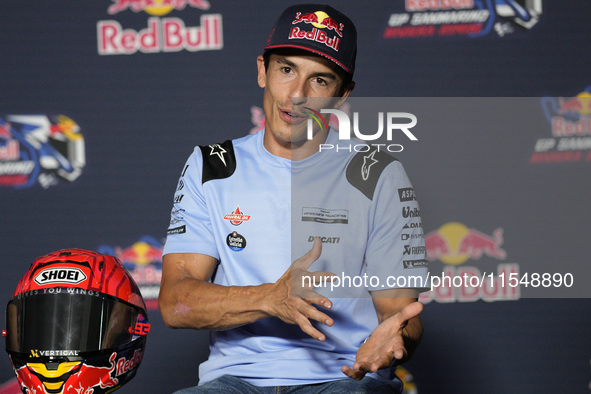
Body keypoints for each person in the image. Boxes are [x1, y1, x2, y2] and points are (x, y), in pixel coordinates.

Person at [158, 4, 429, 393]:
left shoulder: (378, 173)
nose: (297, 95)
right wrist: (269, 298)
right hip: (237, 381)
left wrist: (398, 335)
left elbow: (400, 312)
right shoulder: (212, 166)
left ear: (342, 94)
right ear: (261, 71)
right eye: (286, 69)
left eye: (320, 80)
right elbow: (174, 303)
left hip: (343, 378)